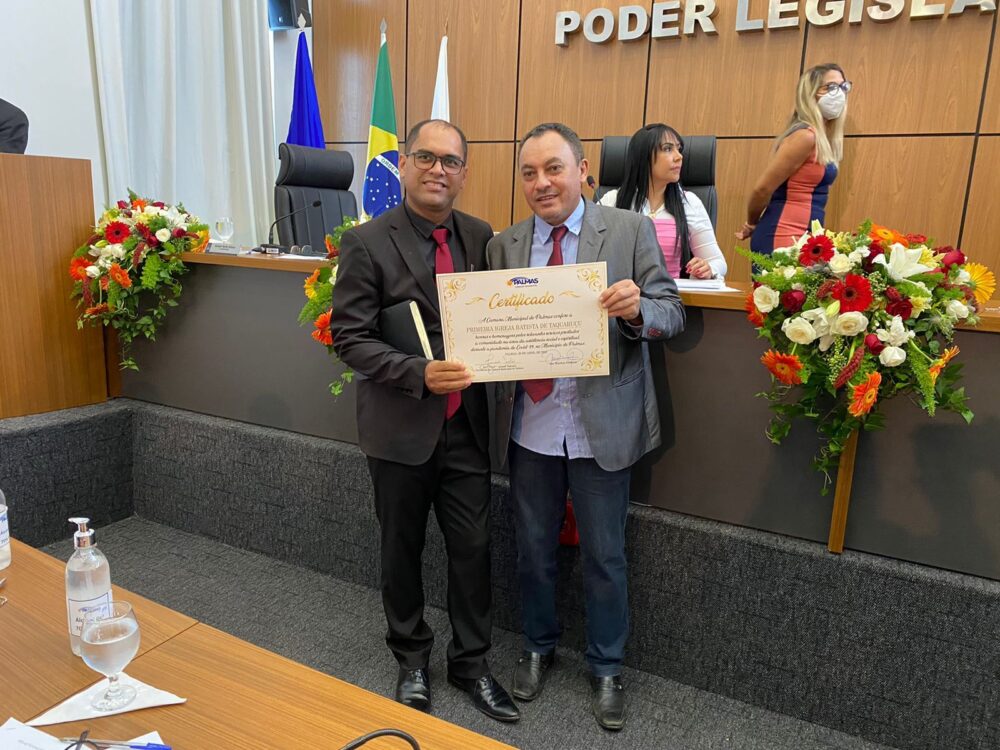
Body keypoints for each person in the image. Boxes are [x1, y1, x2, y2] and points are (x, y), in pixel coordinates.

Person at [487, 122, 685, 731]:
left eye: (553, 168)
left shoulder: (628, 231)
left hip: (604, 424)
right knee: (533, 554)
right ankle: (539, 647)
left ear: (582, 172)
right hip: (531, 429)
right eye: (529, 172)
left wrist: (636, 312)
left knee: (605, 557)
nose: (541, 182)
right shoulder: (505, 245)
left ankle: (606, 667)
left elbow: (671, 310)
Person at [329, 119, 519, 723]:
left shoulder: (481, 235)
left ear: (464, 173)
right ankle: (411, 658)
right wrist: (417, 372)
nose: (439, 170)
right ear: (403, 165)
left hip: (466, 429)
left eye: (451, 161)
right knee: (400, 549)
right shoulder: (367, 241)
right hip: (400, 428)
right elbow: (349, 338)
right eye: (426, 158)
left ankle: (471, 665)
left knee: (473, 550)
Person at [736, 63, 850, 253]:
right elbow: (762, 189)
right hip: (782, 236)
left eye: (843, 87)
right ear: (810, 93)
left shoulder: (822, 139)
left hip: (805, 238)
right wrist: (752, 222)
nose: (838, 93)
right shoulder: (805, 136)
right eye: (830, 87)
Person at [600, 123, 727, 281]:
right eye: (668, 149)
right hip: (619, 298)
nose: (679, 156)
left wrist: (708, 268)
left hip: (668, 299)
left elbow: (718, 262)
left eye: (678, 149)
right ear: (643, 156)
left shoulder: (689, 203)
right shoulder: (611, 201)